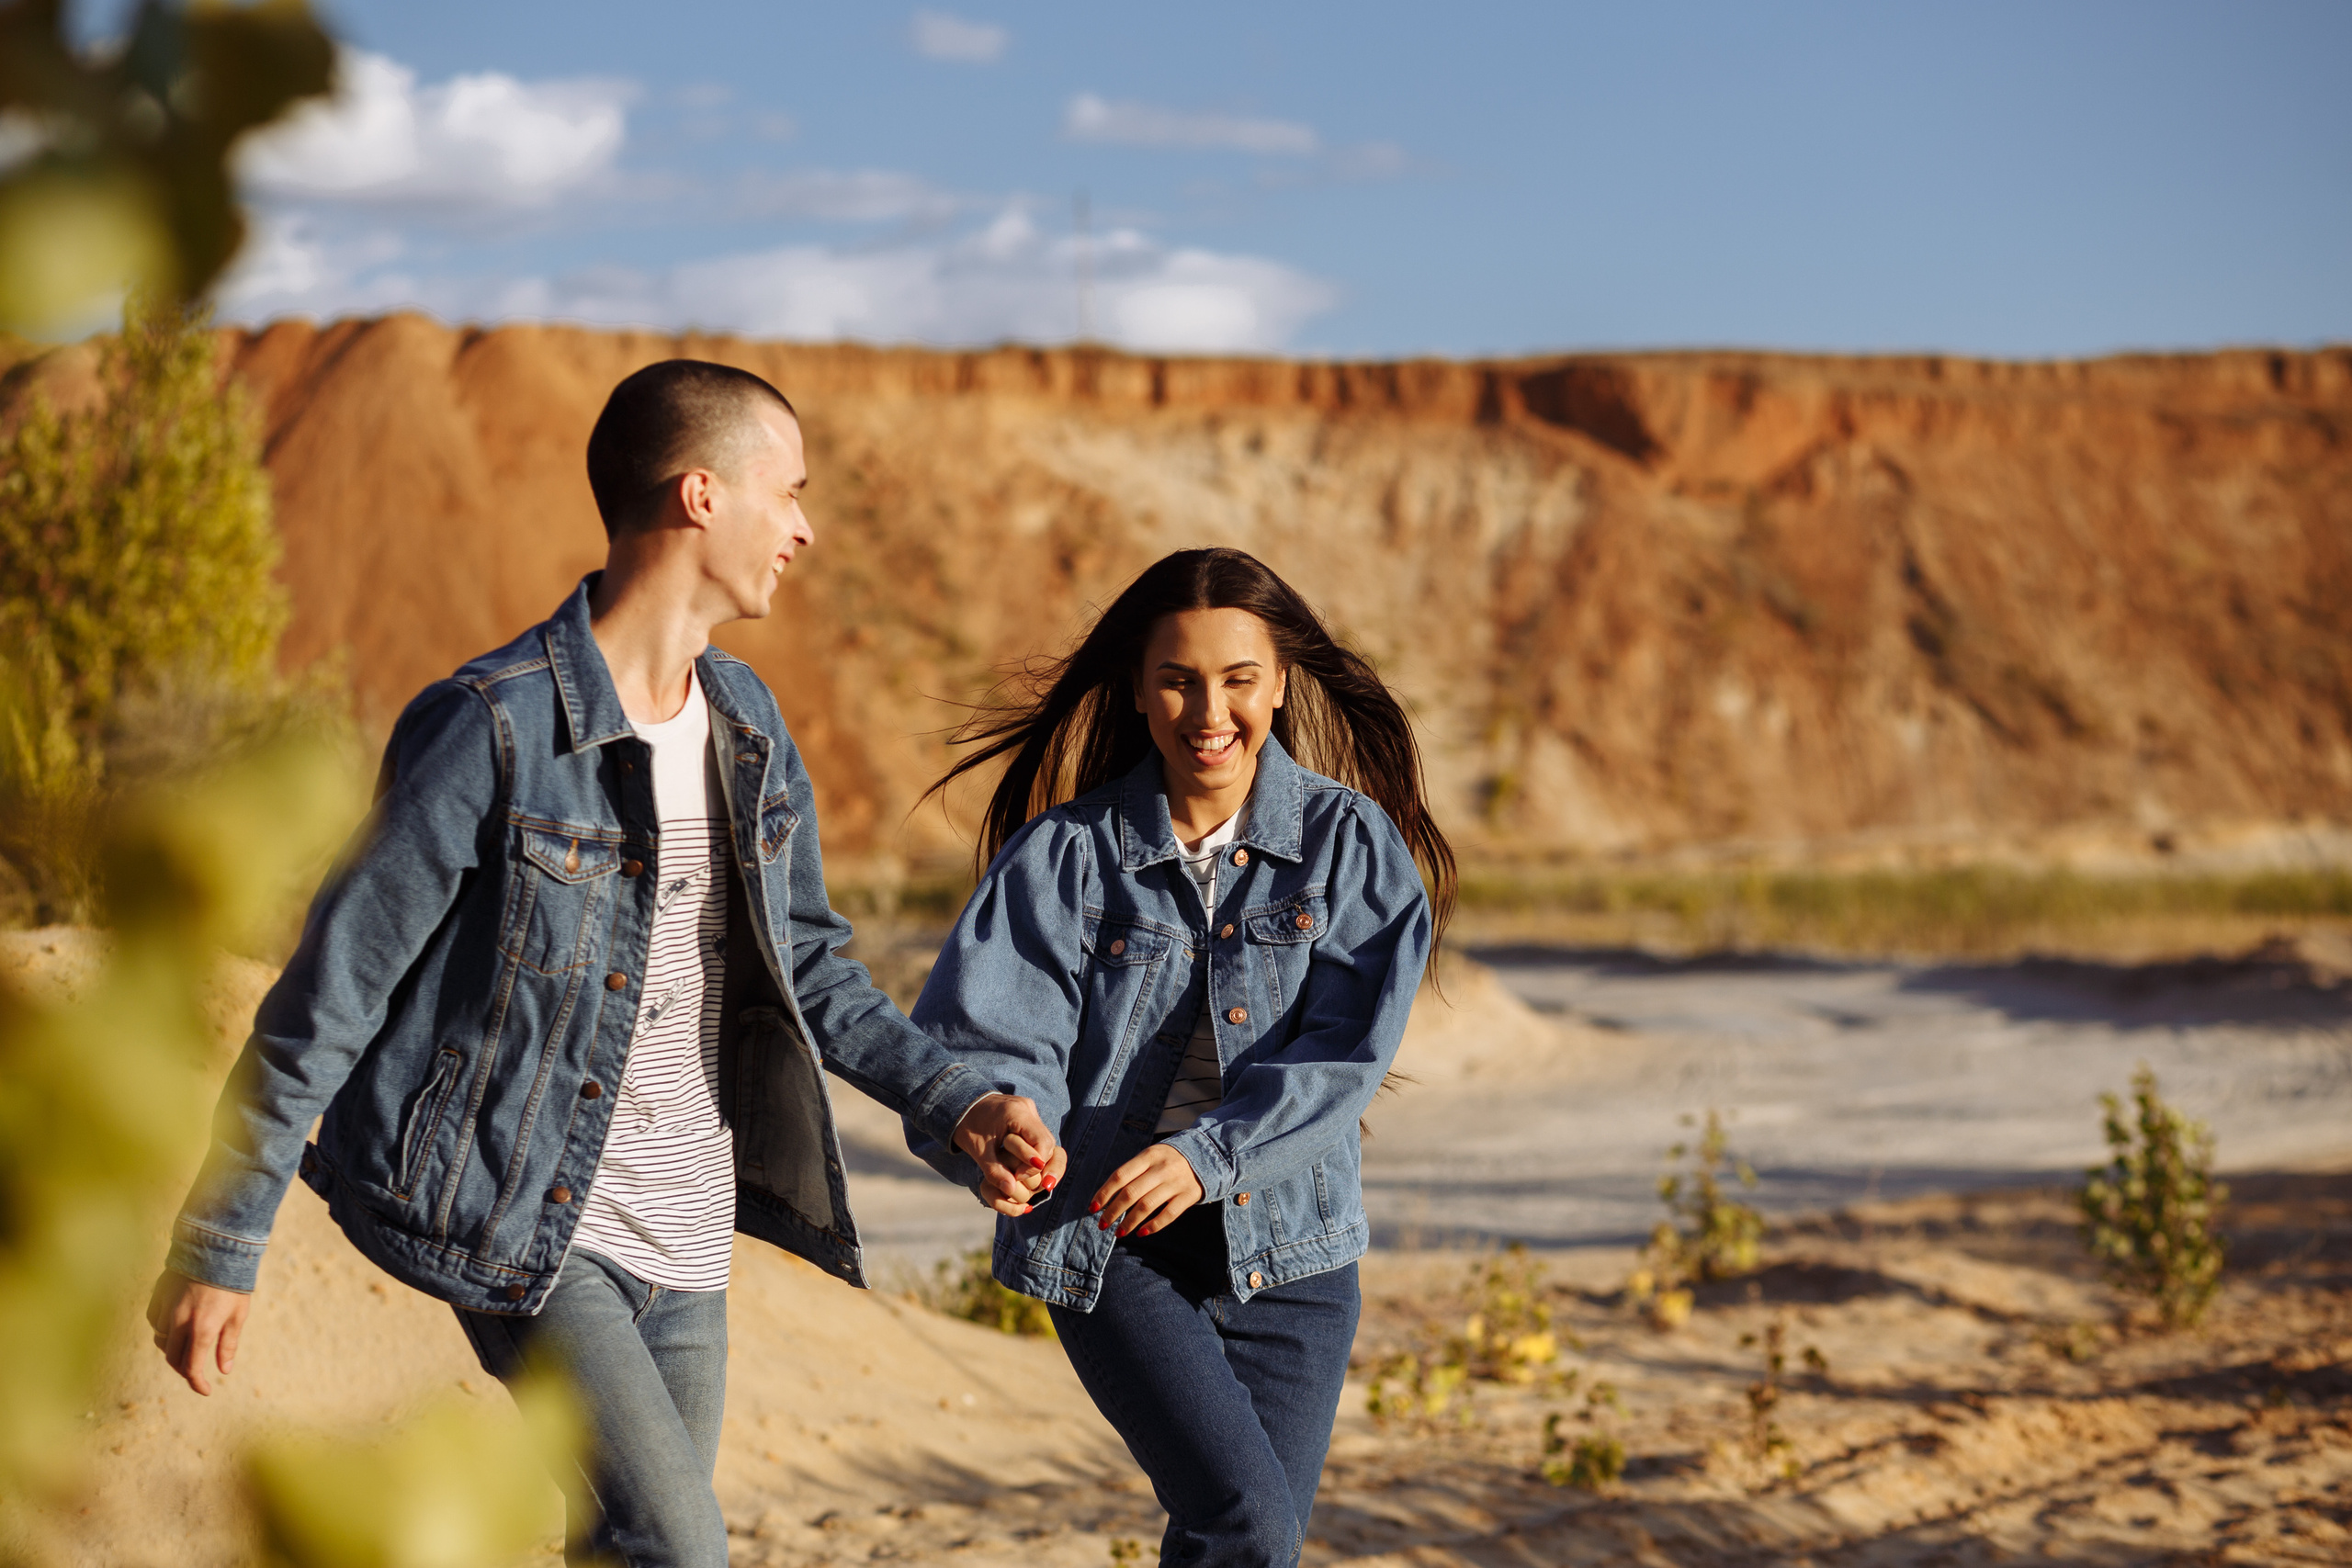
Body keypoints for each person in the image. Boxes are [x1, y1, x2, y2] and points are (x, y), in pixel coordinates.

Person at [145, 359, 1056, 1568]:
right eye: (786, 491)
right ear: (699, 495)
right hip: (529, 1220)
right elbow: (336, 986)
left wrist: (962, 1101)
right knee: (677, 1542)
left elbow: (813, 969)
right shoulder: (494, 723)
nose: (805, 525)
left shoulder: (745, 722)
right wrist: (223, 1238)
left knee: (620, 1548)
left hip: (690, 1231)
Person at [907, 547, 1456, 1567]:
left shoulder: (1348, 846)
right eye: (1178, 679)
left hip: (1292, 1253)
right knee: (1241, 1522)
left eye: (1239, 679)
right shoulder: (1064, 856)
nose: (1211, 711)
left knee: (1245, 1544)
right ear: (1137, 689)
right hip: (1112, 1240)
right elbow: (994, 1035)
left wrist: (1210, 1157)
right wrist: (1004, 1120)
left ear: (1281, 685)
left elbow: (1344, 1054)